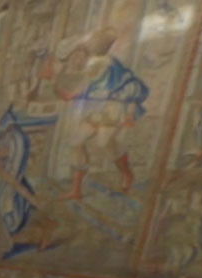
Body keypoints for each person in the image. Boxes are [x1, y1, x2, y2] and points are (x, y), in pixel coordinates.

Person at [48, 28, 149, 199]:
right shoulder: (91, 65)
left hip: (112, 109)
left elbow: (129, 86)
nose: (76, 59)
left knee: (104, 143)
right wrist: (68, 91)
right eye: (73, 56)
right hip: (95, 110)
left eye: (77, 54)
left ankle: (127, 173)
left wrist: (129, 113)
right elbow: (86, 87)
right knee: (76, 142)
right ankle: (77, 189)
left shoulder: (103, 63)